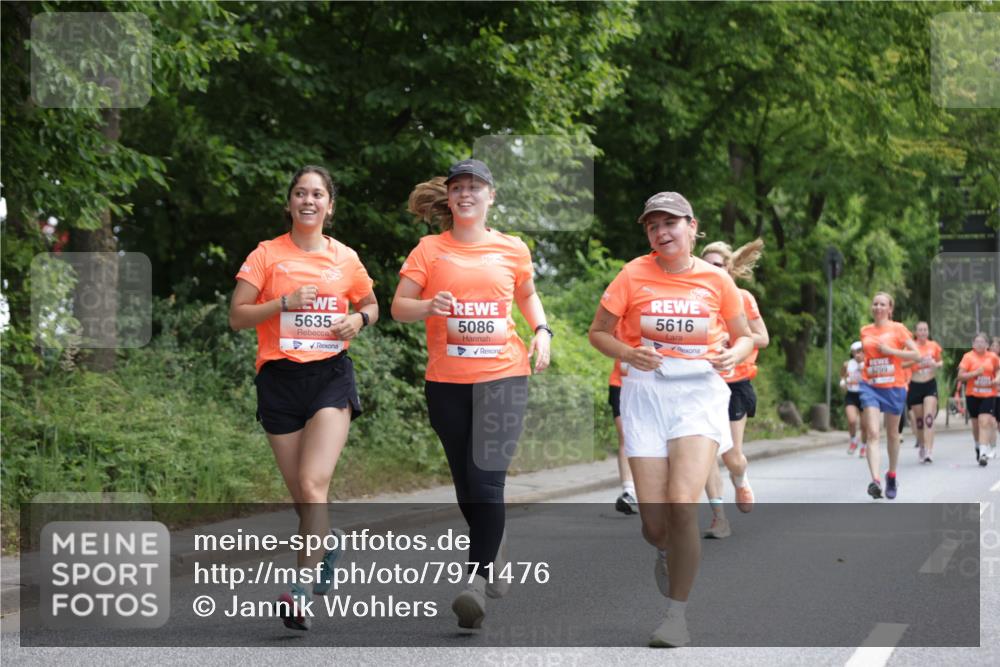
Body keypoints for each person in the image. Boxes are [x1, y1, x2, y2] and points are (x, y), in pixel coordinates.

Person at [391, 159, 551, 629]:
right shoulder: (429, 249)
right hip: (447, 381)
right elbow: (399, 308)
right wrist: (428, 305)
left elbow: (526, 294)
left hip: (504, 375)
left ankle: (475, 582)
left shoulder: (512, 248)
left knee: (486, 479)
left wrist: (541, 329)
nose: (466, 194)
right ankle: (493, 544)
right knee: (466, 486)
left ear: (490, 196)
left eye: (475, 187)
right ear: (450, 196)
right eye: (458, 187)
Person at [588, 191, 753, 647]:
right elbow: (598, 332)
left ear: (692, 227)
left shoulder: (717, 281)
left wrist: (730, 354)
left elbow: (744, 338)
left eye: (671, 223)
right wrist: (628, 353)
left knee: (683, 503)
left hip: (698, 395)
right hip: (646, 397)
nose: (662, 232)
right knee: (655, 525)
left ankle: (676, 617)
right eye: (653, 225)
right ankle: (663, 548)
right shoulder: (632, 274)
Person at [229, 165, 378, 630]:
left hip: (331, 377)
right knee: (302, 498)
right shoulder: (266, 255)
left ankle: (299, 591)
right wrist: (282, 304)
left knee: (314, 486)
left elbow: (370, 302)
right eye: (300, 193)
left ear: (329, 206)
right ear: (290, 203)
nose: (308, 200)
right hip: (279, 381)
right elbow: (237, 316)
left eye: (317, 194)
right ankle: (326, 544)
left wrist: (360, 321)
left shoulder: (346, 259)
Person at [699, 239, 769, 539]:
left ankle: (740, 478)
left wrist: (737, 340)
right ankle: (718, 518)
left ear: (729, 269)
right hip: (702, 382)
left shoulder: (742, 298)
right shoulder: (695, 300)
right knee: (705, 454)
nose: (713, 270)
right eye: (708, 265)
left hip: (736, 381)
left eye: (719, 265)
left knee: (730, 455)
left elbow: (763, 339)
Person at [858, 292, 920, 500]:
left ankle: (891, 475)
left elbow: (916, 354)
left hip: (894, 386)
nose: (877, 307)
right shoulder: (865, 331)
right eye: (875, 303)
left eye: (882, 304)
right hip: (870, 386)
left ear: (890, 309)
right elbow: (867, 358)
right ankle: (875, 481)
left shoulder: (898, 329)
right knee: (873, 433)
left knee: (893, 433)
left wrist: (890, 350)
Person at [957, 332, 1000, 466]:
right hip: (972, 395)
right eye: (977, 342)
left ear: (987, 345)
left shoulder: (992, 357)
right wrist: (975, 373)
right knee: (976, 425)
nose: (980, 344)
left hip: (988, 394)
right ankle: (978, 446)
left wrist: (997, 380)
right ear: (973, 344)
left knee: (984, 421)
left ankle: (983, 453)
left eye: (982, 342)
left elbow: (998, 371)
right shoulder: (968, 357)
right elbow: (960, 376)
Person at [902, 322, 943, 463]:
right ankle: (922, 446)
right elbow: (901, 364)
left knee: (928, 419)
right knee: (919, 422)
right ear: (916, 332)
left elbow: (940, 362)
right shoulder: (910, 347)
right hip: (915, 385)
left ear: (928, 331)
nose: (923, 332)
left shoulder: (933, 346)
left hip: (930, 384)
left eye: (925, 329)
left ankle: (929, 451)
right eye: (920, 330)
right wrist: (915, 361)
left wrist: (936, 365)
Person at [609, 357, 638, 515]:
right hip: (620, 382)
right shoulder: (617, 329)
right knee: (626, 437)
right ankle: (629, 492)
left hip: (654, 386)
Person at [840, 342, 866, 456]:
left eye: (860, 352)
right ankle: (853, 440)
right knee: (852, 420)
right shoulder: (847, 364)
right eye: (855, 352)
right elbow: (842, 375)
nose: (857, 355)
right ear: (852, 353)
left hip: (864, 395)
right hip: (851, 394)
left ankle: (864, 446)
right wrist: (842, 382)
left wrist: (864, 368)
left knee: (864, 425)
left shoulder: (868, 363)